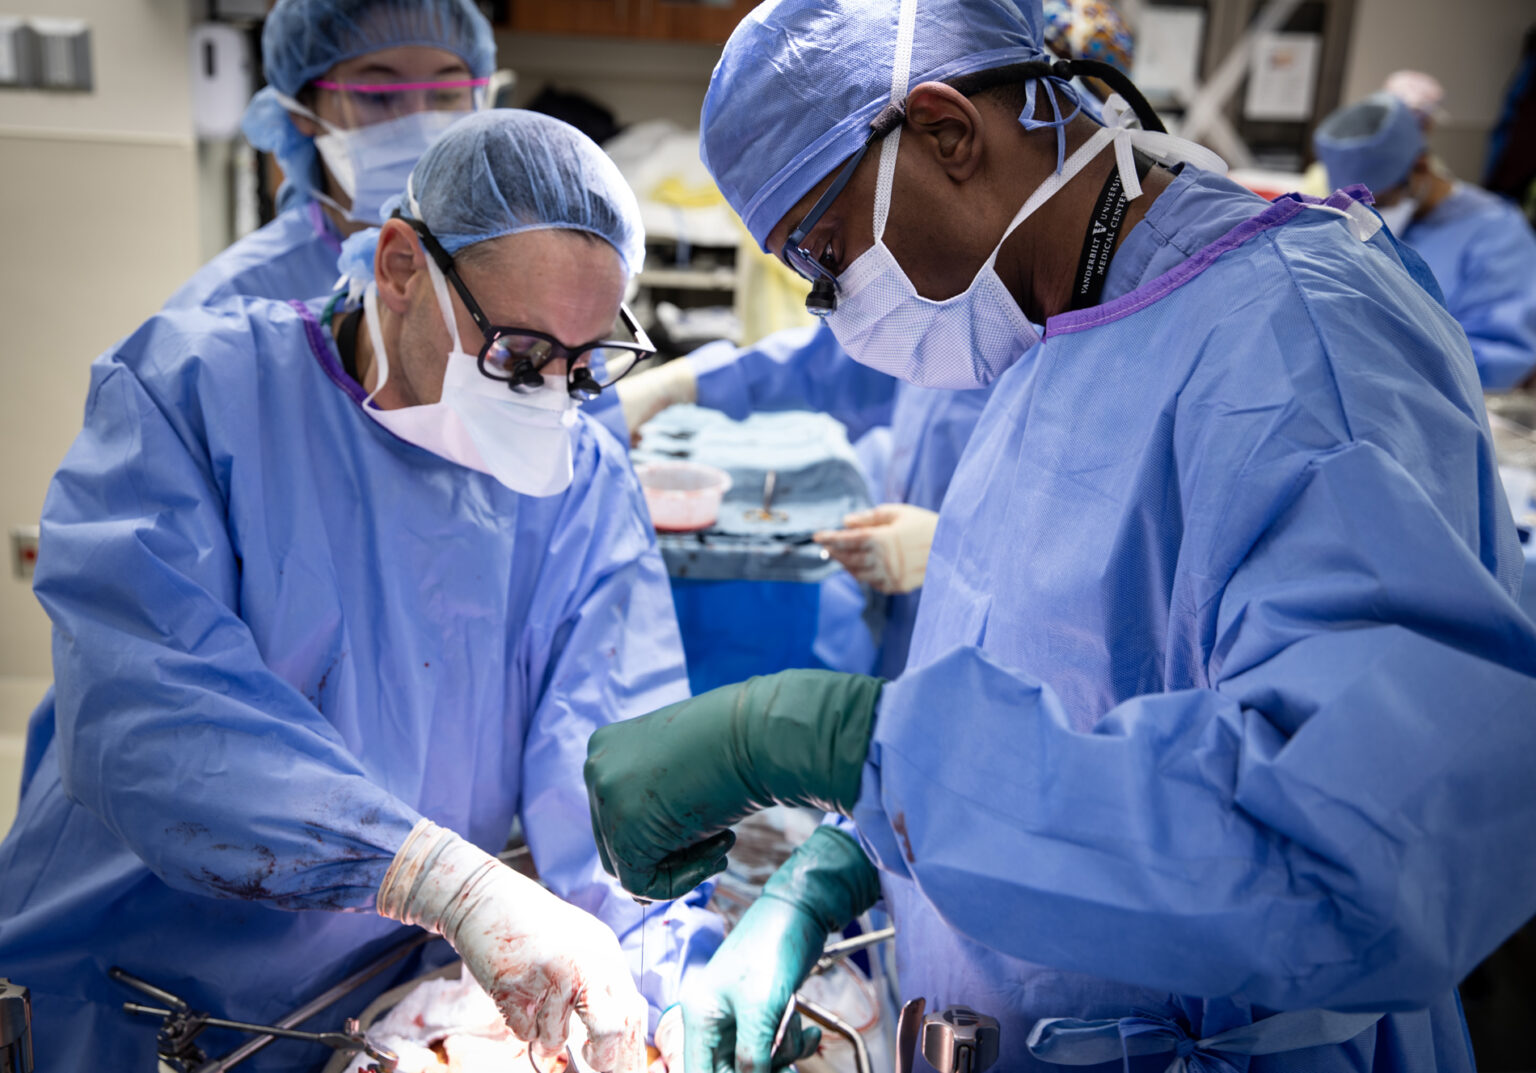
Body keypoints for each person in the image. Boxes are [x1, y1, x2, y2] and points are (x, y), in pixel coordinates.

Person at [583, 3, 1536, 1073]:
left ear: (946, 132)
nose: (834, 303)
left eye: (827, 250)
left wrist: (846, 741)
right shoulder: (1054, 328)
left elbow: (1366, 854)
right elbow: (1069, 715)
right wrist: (860, 850)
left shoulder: (1301, 343)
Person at [0, 110, 721, 1072]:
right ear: (399, 266)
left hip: (373, 1010)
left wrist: (651, 978)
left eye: (584, 367)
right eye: (515, 354)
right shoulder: (192, 396)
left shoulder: (578, 475)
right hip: (139, 994)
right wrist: (432, 876)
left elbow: (613, 756)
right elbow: (156, 725)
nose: (549, 396)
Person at [614, 324, 987, 677]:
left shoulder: (1035, 336)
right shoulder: (950, 314)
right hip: (905, 634)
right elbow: (853, 358)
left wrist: (965, 551)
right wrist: (687, 381)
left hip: (983, 659)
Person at [165, 0, 496, 310]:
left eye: (447, 96)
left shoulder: (506, 271)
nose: (419, 126)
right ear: (302, 109)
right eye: (379, 96)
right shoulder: (229, 305)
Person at [1314, 91, 1536, 390]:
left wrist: (1389, 366)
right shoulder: (1364, 224)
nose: (1369, 214)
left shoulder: (1496, 233)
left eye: (1379, 201)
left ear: (1420, 167)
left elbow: (1500, 356)